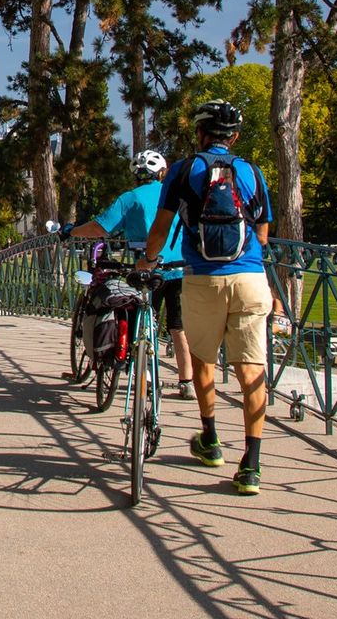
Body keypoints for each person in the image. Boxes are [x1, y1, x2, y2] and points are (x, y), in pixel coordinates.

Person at [133, 99, 277, 496]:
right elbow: (263, 233)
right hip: (249, 276)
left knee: (203, 360)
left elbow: (161, 228)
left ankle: (210, 440)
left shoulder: (183, 170)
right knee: (252, 368)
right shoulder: (251, 171)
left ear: (199, 133)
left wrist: (147, 261)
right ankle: (252, 463)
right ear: (234, 137)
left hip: (201, 277)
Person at [70, 149, 192, 396]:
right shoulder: (176, 195)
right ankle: (186, 381)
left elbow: (100, 227)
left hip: (146, 269)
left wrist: (71, 231)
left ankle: (145, 377)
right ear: (162, 173)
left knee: (142, 323)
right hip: (179, 267)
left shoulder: (130, 198)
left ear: (136, 175)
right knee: (178, 327)